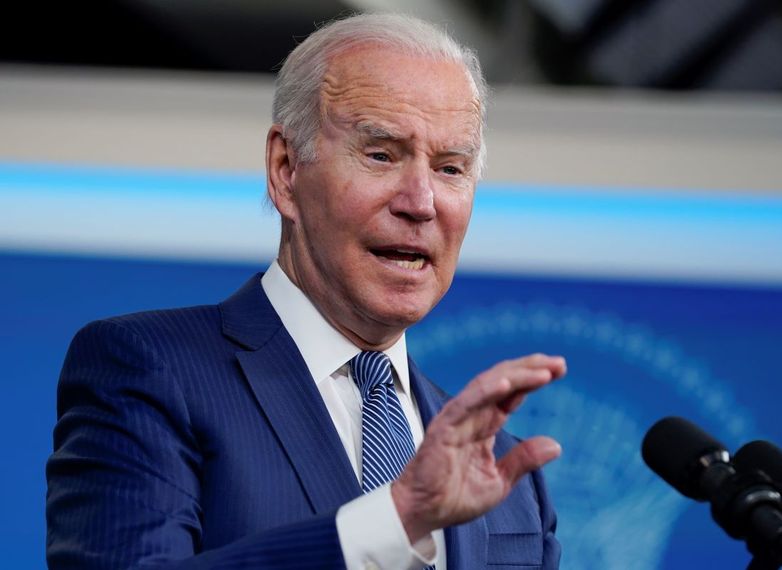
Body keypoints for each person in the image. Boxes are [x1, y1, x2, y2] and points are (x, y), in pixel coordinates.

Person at [46, 13, 565, 570]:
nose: (421, 202)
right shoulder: (150, 371)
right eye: (381, 154)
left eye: (450, 168)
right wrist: (391, 524)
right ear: (286, 169)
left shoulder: (508, 481)